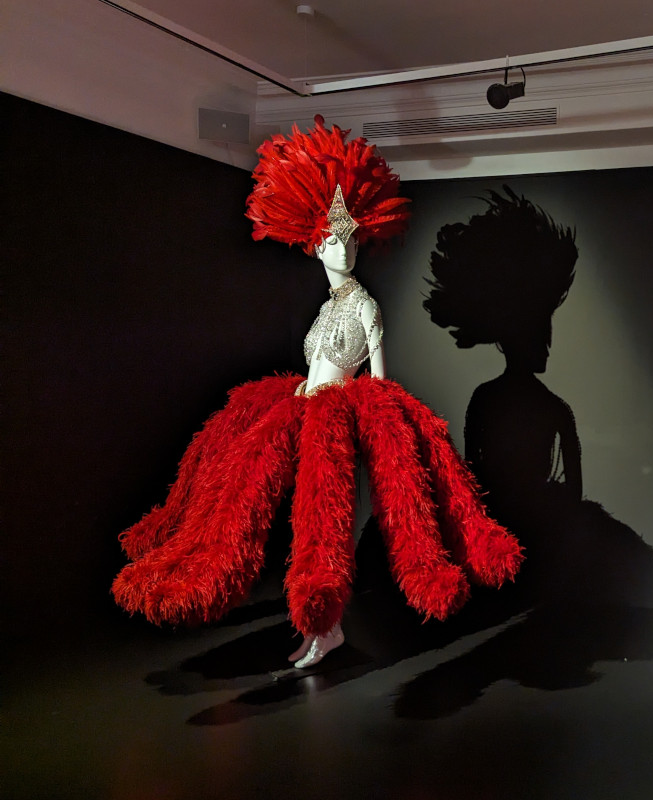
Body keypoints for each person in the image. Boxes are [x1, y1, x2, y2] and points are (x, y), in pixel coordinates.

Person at [113, 118, 522, 668]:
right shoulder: (331, 306)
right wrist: (309, 384)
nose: (343, 249)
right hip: (304, 405)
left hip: (345, 417)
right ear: (315, 246)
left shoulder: (364, 306)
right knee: (233, 468)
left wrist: (378, 423)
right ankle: (202, 559)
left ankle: (325, 622)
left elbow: (376, 377)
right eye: (333, 240)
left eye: (350, 240)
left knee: (324, 515)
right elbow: (320, 360)